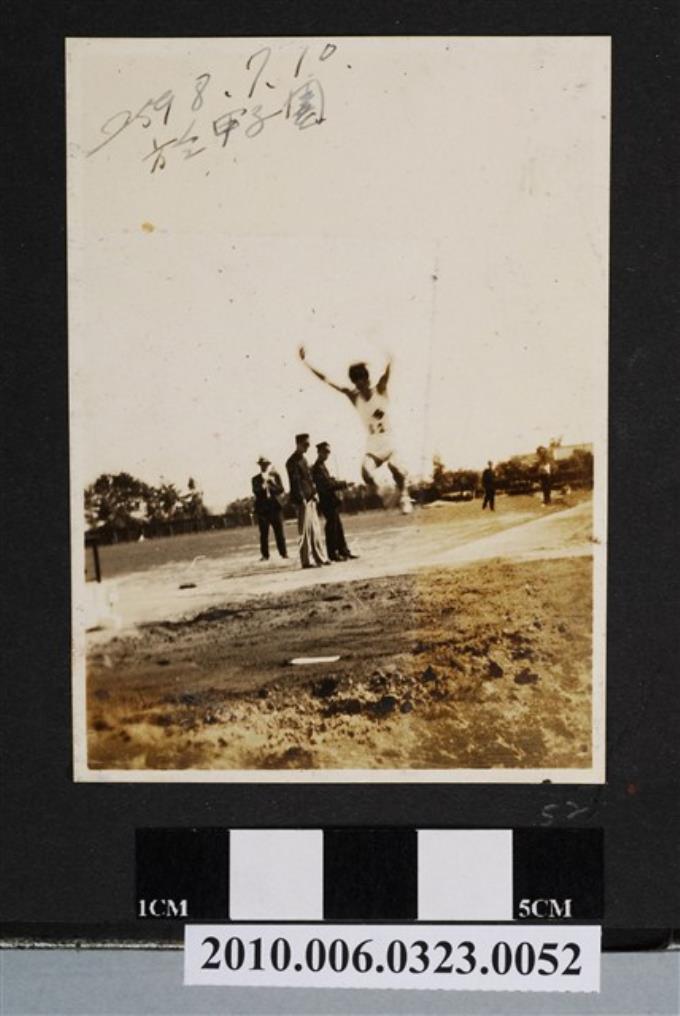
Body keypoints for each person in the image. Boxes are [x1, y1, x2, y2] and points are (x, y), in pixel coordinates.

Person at [298, 345, 412, 514]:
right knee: (366, 473)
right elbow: (326, 380)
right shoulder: (354, 397)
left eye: (362, 381)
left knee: (395, 467)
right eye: (356, 382)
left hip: (389, 441)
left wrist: (390, 359)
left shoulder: (380, 389)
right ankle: (386, 492)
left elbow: (387, 373)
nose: (360, 385)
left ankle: (404, 496)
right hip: (373, 444)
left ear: (368, 379)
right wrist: (306, 362)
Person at [285, 434, 330, 568]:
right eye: (305, 444)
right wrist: (301, 498)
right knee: (304, 532)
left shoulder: (304, 459)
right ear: (298, 444)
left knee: (315, 530)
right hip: (302, 501)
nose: (307, 447)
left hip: (311, 498)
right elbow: (295, 482)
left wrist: (314, 492)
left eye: (308, 445)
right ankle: (306, 561)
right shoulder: (291, 462)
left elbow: (309, 479)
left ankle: (320, 558)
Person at [312, 441, 359, 562]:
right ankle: (333, 553)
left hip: (331, 501)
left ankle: (343, 551)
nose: (327, 454)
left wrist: (337, 482)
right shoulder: (317, 468)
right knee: (332, 527)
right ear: (319, 452)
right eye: (325, 452)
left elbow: (329, 481)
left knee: (338, 526)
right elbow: (327, 485)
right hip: (327, 502)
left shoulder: (322, 466)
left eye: (328, 452)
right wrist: (344, 484)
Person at [251, 456, 288, 561]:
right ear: (260, 465)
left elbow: (281, 489)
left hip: (275, 508)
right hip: (263, 509)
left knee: (279, 532)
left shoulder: (275, 476)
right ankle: (265, 555)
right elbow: (256, 491)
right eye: (262, 464)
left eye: (266, 464)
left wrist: (272, 484)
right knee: (264, 533)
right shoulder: (255, 479)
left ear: (268, 465)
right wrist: (262, 486)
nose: (264, 466)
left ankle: (283, 553)